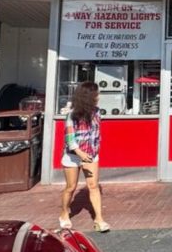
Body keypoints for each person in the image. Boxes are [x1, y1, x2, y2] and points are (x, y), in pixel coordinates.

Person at [59, 81, 110, 232]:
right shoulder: (72, 115)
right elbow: (69, 138)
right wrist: (80, 153)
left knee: (93, 186)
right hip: (73, 156)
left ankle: (99, 219)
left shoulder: (97, 112)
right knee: (71, 187)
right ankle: (64, 212)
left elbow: (96, 132)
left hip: (91, 154)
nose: (99, 96)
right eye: (97, 93)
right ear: (89, 96)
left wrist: (94, 150)